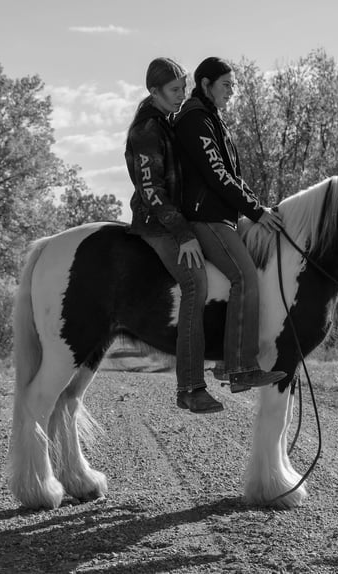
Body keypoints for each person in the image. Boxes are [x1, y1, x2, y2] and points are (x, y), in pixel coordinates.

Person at [173, 57, 287, 393]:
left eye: (233, 85)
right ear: (206, 84)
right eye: (226, 84)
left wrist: (259, 206)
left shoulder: (214, 121)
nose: (232, 91)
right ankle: (239, 367)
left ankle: (230, 359)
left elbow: (233, 177)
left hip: (222, 216)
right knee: (244, 275)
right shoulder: (195, 119)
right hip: (205, 217)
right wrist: (256, 211)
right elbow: (217, 175)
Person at [126, 57, 223, 414]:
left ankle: (230, 358)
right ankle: (190, 387)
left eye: (183, 88)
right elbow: (151, 190)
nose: (181, 96)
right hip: (156, 223)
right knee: (196, 283)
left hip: (176, 219)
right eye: (174, 90)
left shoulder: (166, 121)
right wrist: (184, 234)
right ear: (154, 91)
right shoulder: (146, 131)